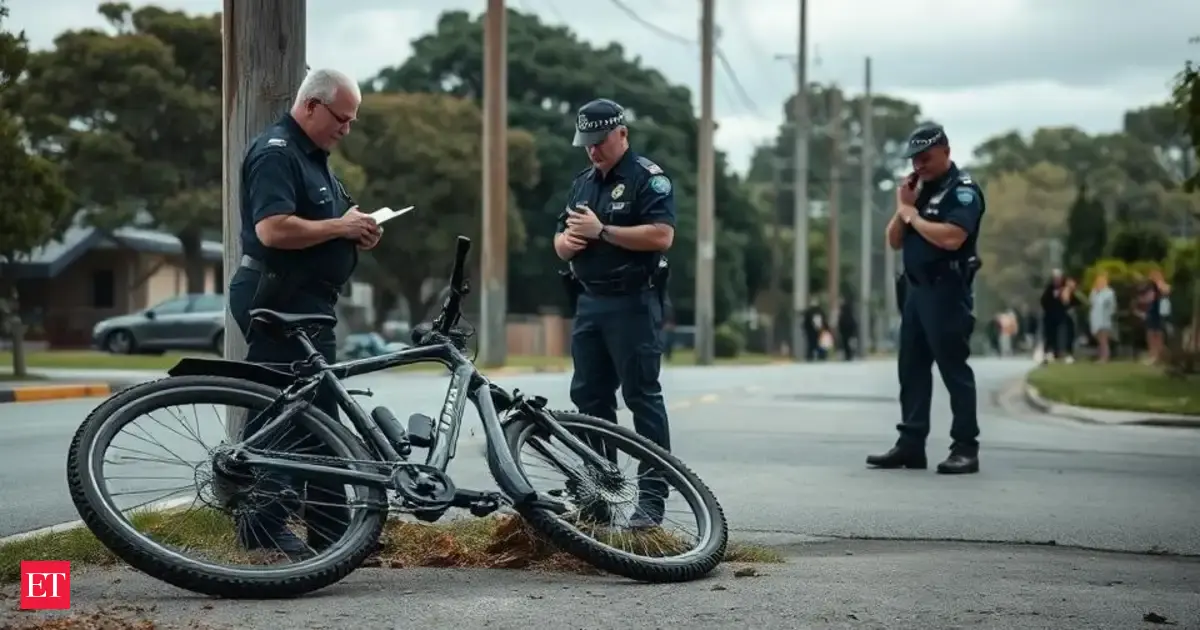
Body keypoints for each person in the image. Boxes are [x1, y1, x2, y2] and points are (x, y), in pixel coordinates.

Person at [225, 68, 382, 556]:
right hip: (278, 296)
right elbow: (273, 230)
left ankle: (335, 537)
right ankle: (263, 529)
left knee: (323, 422)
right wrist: (339, 228)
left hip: (311, 302)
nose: (346, 129)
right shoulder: (276, 151)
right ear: (311, 105)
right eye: (342, 118)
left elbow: (330, 225)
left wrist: (359, 231)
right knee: (287, 415)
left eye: (353, 121)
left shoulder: (318, 160)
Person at [554, 98, 674, 528]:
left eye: (599, 141)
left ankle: (652, 499)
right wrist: (567, 245)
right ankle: (600, 492)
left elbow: (662, 235)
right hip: (589, 301)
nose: (592, 150)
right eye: (586, 143)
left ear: (622, 134)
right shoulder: (582, 184)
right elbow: (560, 236)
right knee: (589, 398)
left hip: (632, 301)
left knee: (642, 397)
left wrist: (602, 231)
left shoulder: (648, 179)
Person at [867, 123, 985, 475]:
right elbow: (894, 240)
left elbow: (952, 237)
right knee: (912, 369)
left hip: (946, 289)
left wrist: (911, 214)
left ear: (946, 151)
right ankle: (910, 444)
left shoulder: (961, 191)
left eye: (926, 158)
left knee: (954, 370)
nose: (919, 165)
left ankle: (965, 447)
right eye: (915, 159)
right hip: (916, 292)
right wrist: (903, 206)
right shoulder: (918, 192)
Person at [1089, 272, 1116, 362]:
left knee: (1103, 339)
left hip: (1105, 318)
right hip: (1095, 318)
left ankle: (1105, 357)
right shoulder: (1094, 291)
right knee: (1099, 339)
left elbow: (1112, 306)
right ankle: (1100, 355)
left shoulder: (1109, 292)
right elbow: (1092, 302)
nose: (1099, 283)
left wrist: (1109, 314)